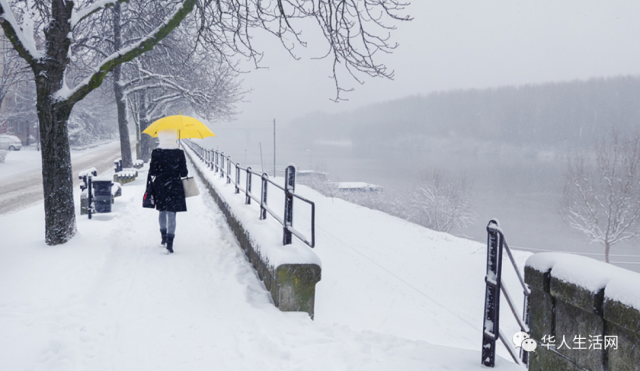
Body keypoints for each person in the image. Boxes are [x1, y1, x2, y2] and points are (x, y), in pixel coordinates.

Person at [148, 129, 188, 253]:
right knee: (172, 212)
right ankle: (170, 242)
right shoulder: (179, 153)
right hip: (175, 185)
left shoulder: (156, 152)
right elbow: (184, 173)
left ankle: (163, 237)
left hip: (160, 185)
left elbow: (153, 172)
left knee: (162, 210)